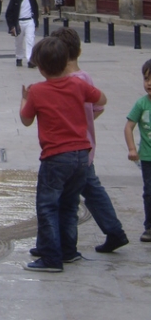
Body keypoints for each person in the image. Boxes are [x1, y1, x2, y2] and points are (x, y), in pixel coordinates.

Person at [20, 37, 106, 271]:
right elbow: (102, 99)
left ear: (40, 66)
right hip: (81, 155)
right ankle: (69, 251)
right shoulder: (78, 85)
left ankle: (50, 258)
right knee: (69, 205)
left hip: (56, 156)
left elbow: (26, 120)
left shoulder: (37, 91)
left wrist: (24, 99)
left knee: (48, 206)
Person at [39, 27, 127, 254]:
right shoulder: (84, 77)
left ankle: (66, 244)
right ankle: (112, 231)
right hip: (85, 145)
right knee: (90, 189)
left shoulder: (68, 82)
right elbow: (98, 107)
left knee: (71, 198)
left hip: (70, 148)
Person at [124, 57, 151, 243]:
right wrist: (132, 148)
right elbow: (128, 127)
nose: (149, 83)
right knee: (149, 192)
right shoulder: (141, 104)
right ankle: (149, 226)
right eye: (146, 79)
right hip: (148, 158)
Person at [6, 0, 39, 67]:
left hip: (29, 20)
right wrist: (11, 26)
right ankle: (19, 57)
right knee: (19, 41)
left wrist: (36, 22)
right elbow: (9, 12)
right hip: (19, 22)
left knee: (30, 40)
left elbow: (35, 9)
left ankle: (30, 59)